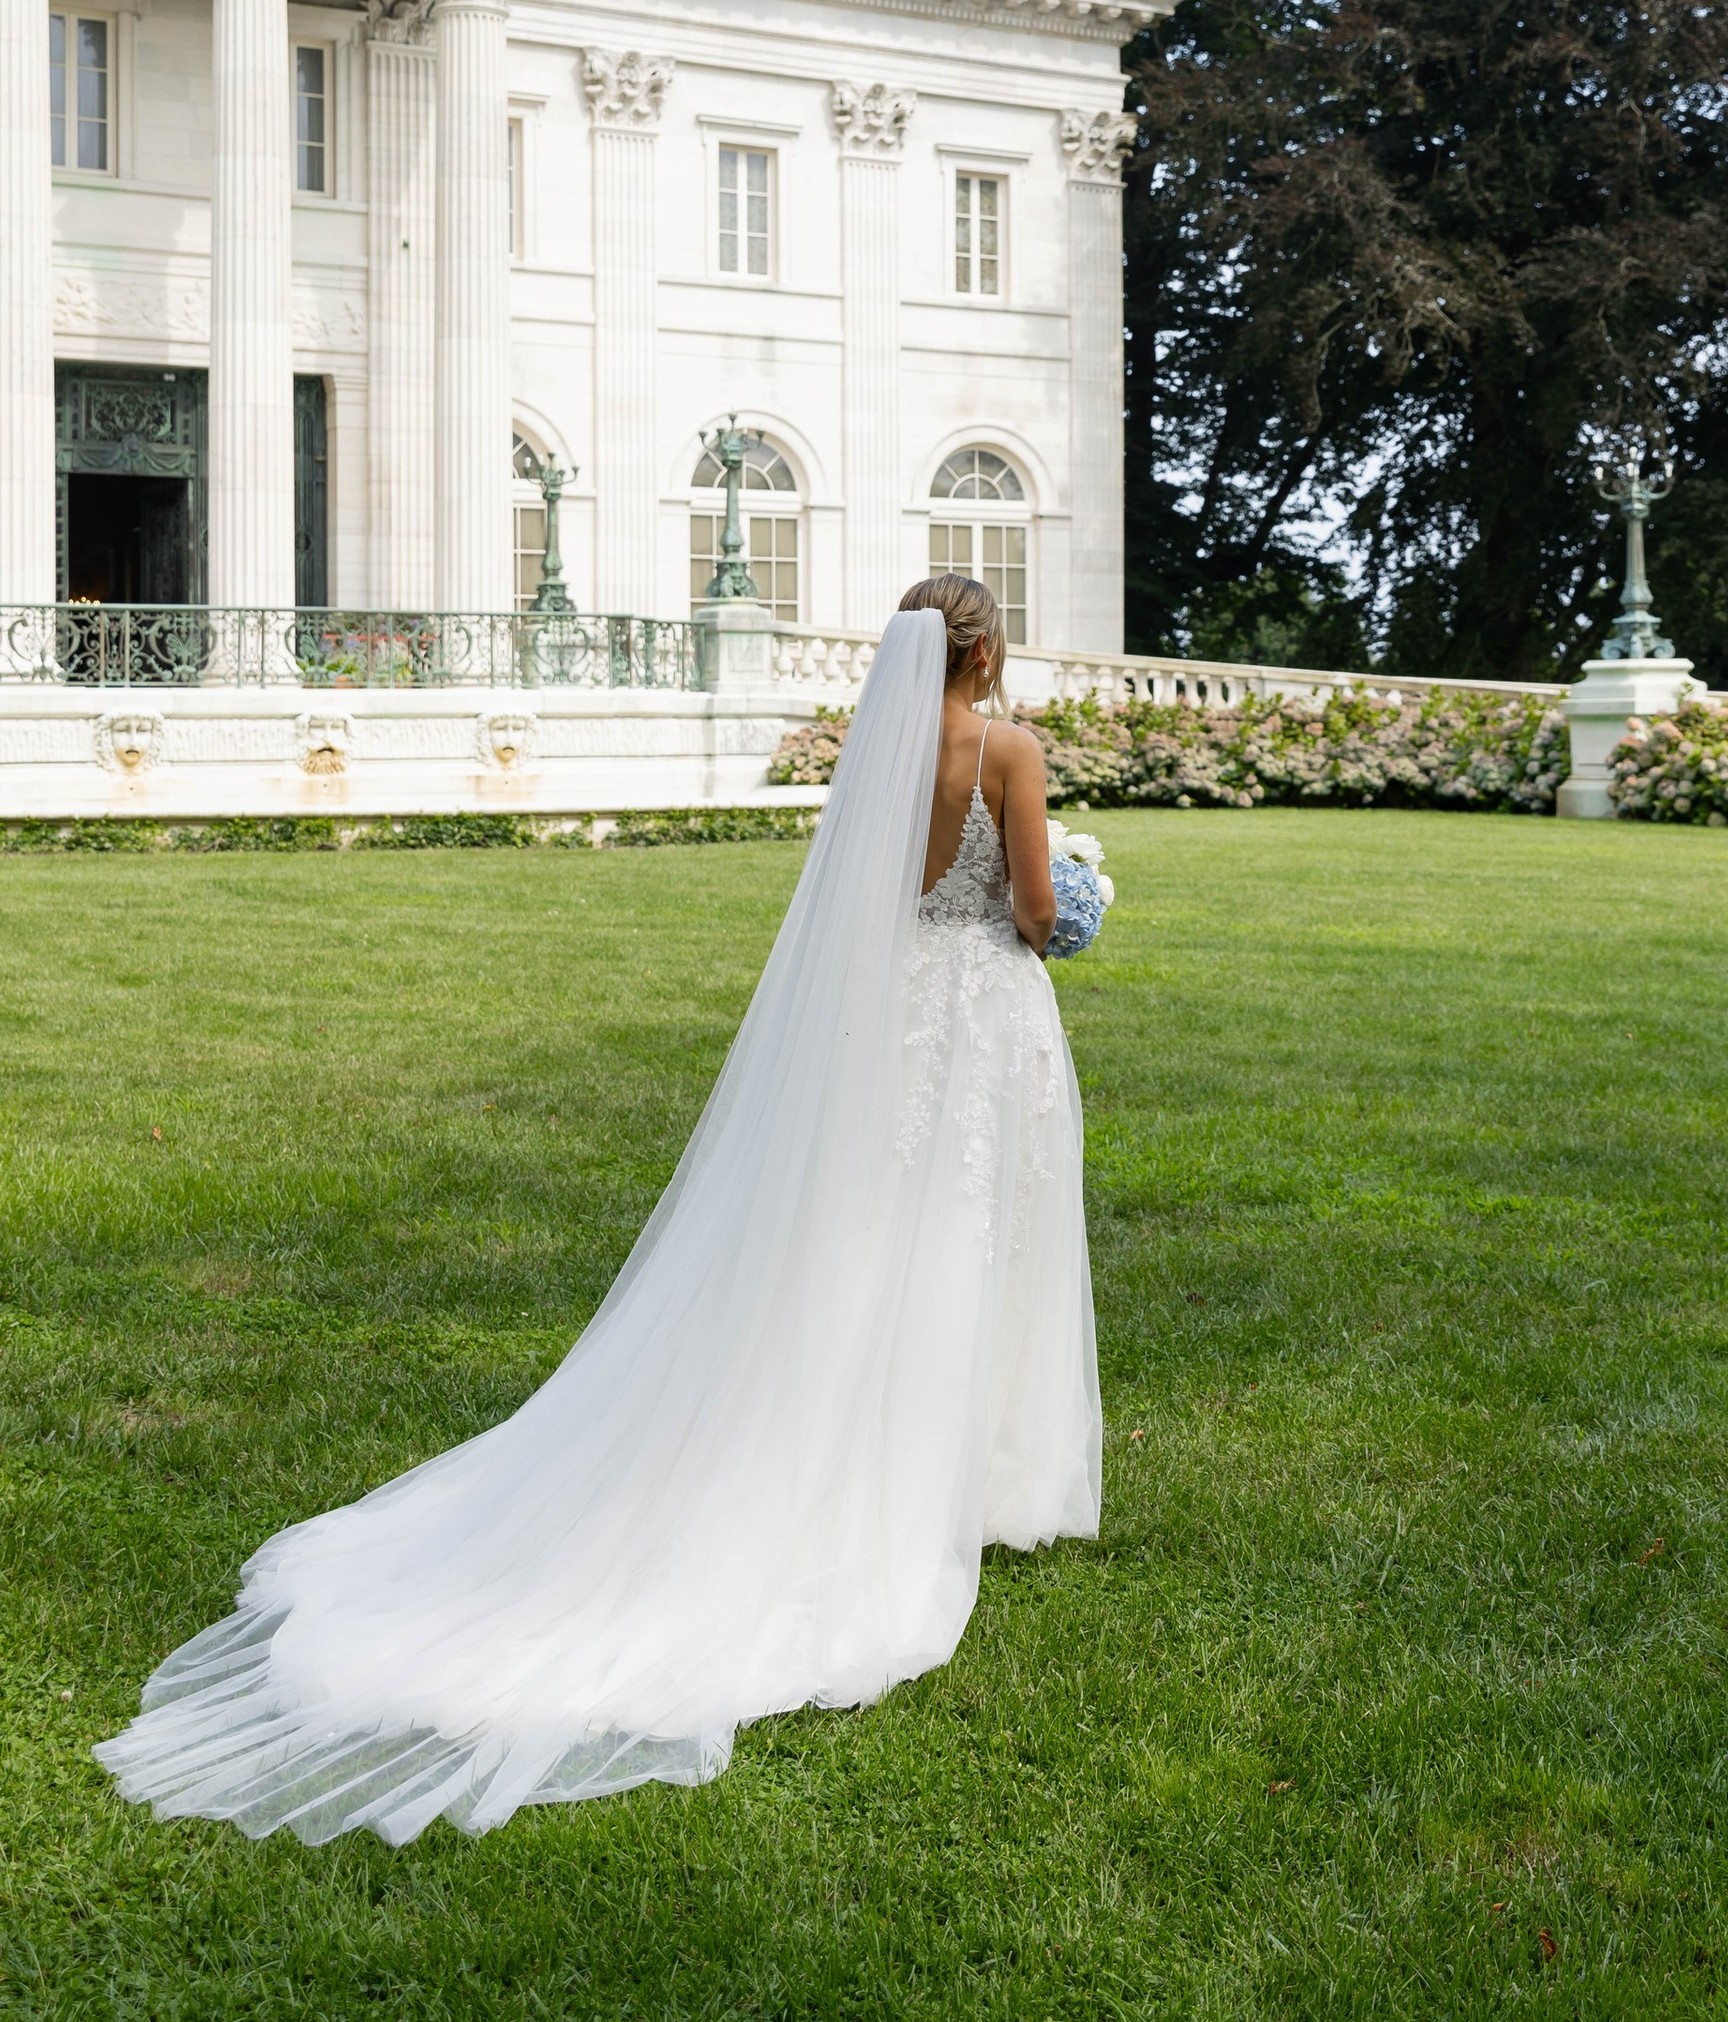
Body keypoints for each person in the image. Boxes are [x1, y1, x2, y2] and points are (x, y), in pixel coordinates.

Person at [96, 580, 1100, 1844]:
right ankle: (945, 1476)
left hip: (890, 1019)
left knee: (861, 1235)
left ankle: (869, 1450)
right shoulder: (1010, 746)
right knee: (959, 1240)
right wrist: (1074, 897)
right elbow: (1029, 909)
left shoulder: (884, 749)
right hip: (981, 1017)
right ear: (989, 648)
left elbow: (877, 897)